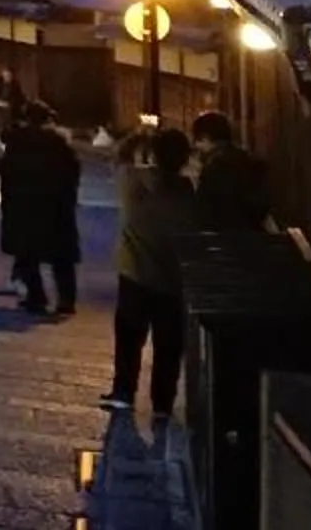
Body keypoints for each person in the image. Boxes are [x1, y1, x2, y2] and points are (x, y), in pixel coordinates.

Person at [105, 126, 199, 420]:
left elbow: (118, 156)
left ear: (154, 154)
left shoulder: (135, 182)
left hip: (135, 272)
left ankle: (123, 392)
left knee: (129, 336)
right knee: (168, 344)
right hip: (173, 279)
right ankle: (162, 404)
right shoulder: (189, 192)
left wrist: (138, 135)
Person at [0, 101, 81, 316]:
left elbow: (6, 170)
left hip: (25, 206)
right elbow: (73, 172)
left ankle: (36, 297)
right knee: (61, 257)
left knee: (27, 254)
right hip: (55, 206)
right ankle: (66, 301)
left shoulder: (17, 140)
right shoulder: (58, 142)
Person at [190, 111, 272, 232]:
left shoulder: (214, 167)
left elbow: (204, 212)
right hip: (253, 238)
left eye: (197, 141)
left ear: (205, 138)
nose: (196, 146)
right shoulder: (251, 161)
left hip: (223, 241)